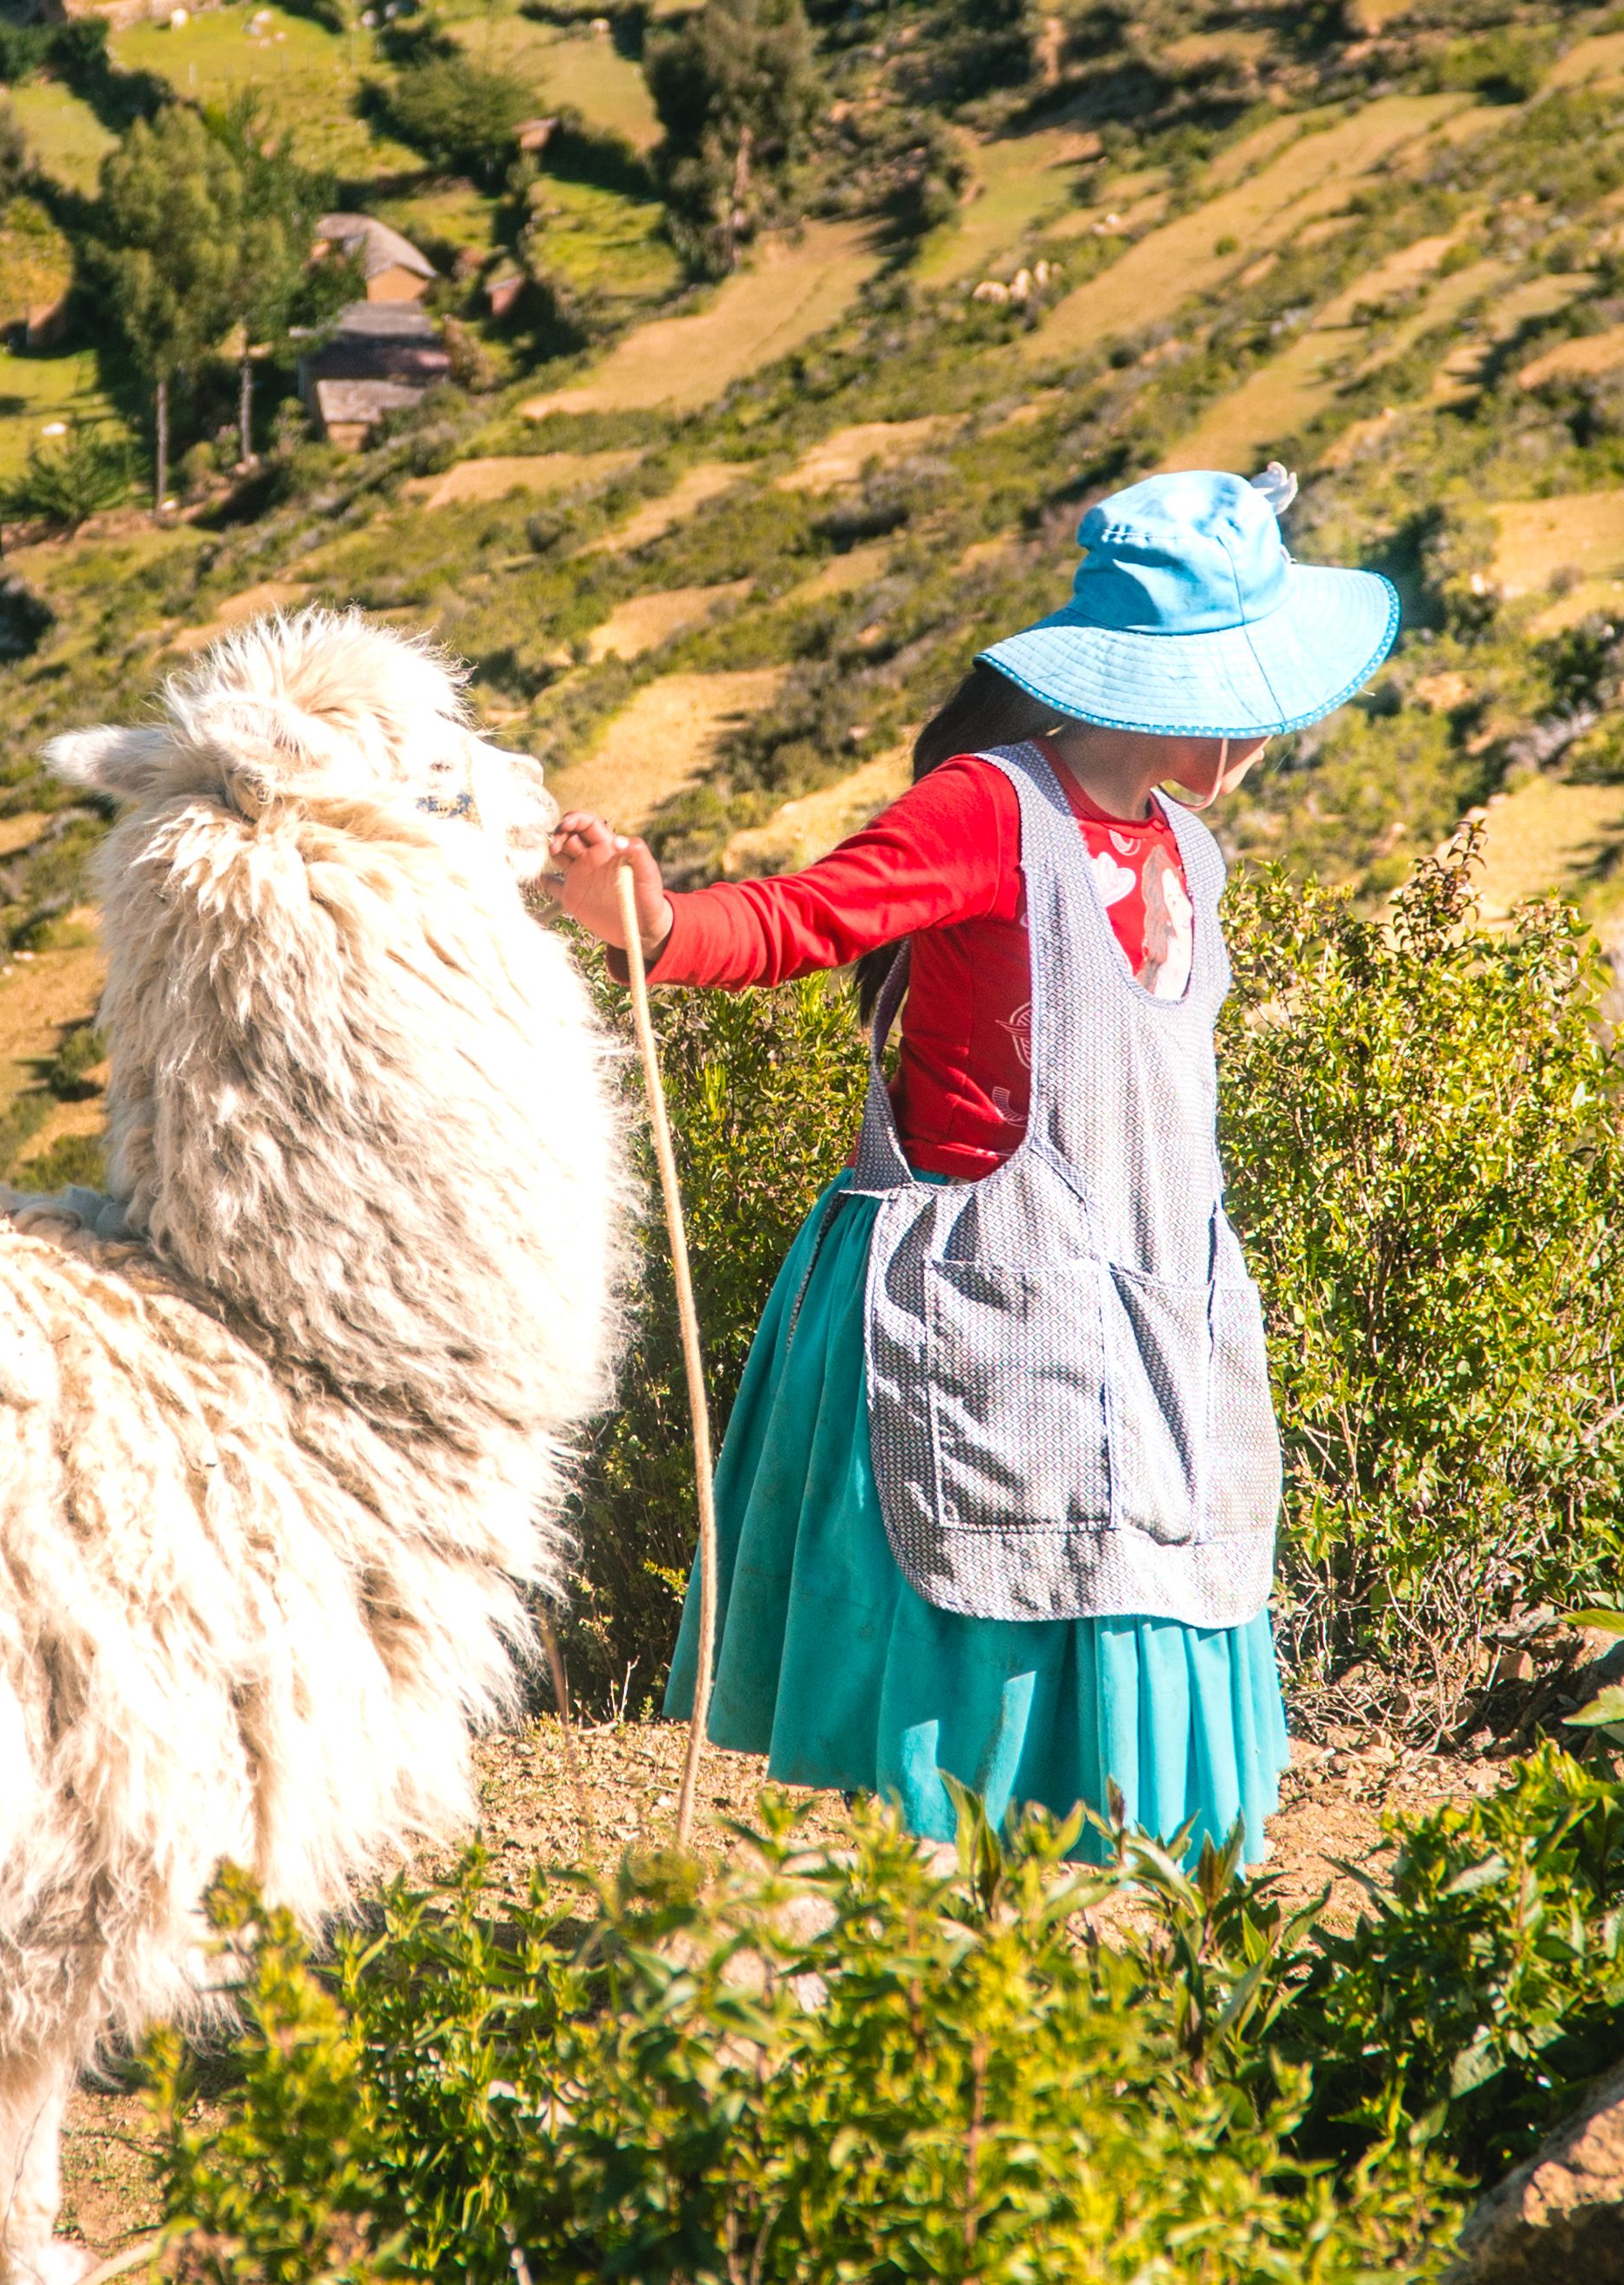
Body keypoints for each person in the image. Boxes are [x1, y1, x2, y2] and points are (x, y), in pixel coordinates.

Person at [547, 466, 1399, 1870]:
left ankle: (1098, 1928)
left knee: (1147, 1559)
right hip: (987, 1306)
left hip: (1156, 1314)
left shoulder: (1191, 848)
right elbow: (799, 919)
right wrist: (648, 923)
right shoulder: (983, 810)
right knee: (998, 1632)